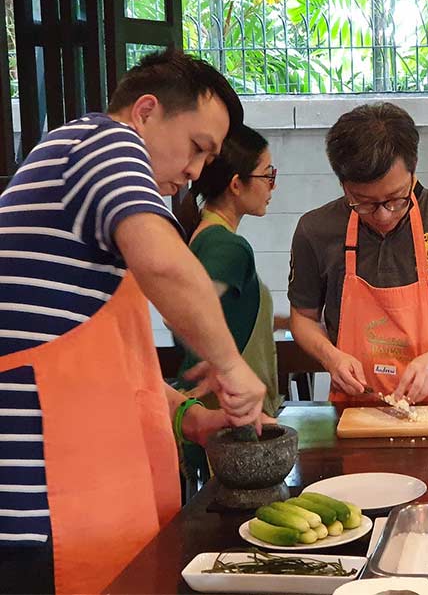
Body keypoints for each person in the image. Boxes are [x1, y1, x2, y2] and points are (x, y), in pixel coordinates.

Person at [0, 50, 267, 594]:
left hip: (85, 502)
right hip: (39, 507)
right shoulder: (105, 142)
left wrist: (187, 416)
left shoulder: (90, 191)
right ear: (145, 111)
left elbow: (98, 358)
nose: (195, 172)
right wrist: (232, 366)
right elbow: (167, 265)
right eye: (197, 148)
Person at [288, 103, 428, 404]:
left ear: (413, 171)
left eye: (396, 199)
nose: (384, 215)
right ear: (343, 184)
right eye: (364, 203)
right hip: (353, 409)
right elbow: (302, 319)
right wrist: (331, 357)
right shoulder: (316, 229)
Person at [174, 125, 283, 485]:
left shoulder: (206, 234)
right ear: (236, 184)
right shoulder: (227, 246)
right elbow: (192, 307)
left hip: (217, 418)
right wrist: (222, 365)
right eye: (268, 175)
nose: (273, 186)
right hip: (229, 423)